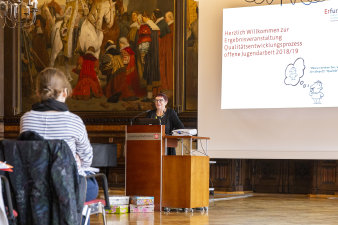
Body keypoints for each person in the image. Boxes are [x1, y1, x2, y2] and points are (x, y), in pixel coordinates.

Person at [20, 67, 98, 224]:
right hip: (68, 187)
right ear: (64, 92)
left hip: (34, 188)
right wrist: (73, 159)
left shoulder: (26, 119)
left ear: (38, 92)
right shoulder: (74, 120)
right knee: (90, 188)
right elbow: (87, 159)